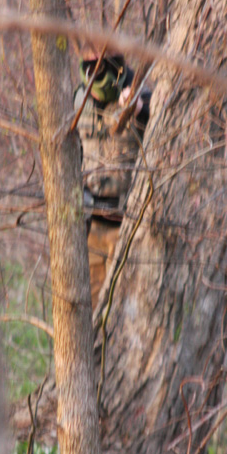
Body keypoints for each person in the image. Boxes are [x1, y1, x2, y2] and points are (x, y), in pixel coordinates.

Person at [74, 51, 151, 307]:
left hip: (127, 229)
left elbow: (155, 116)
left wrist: (138, 109)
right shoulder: (78, 100)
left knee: (121, 305)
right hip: (91, 227)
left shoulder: (140, 96)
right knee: (93, 307)